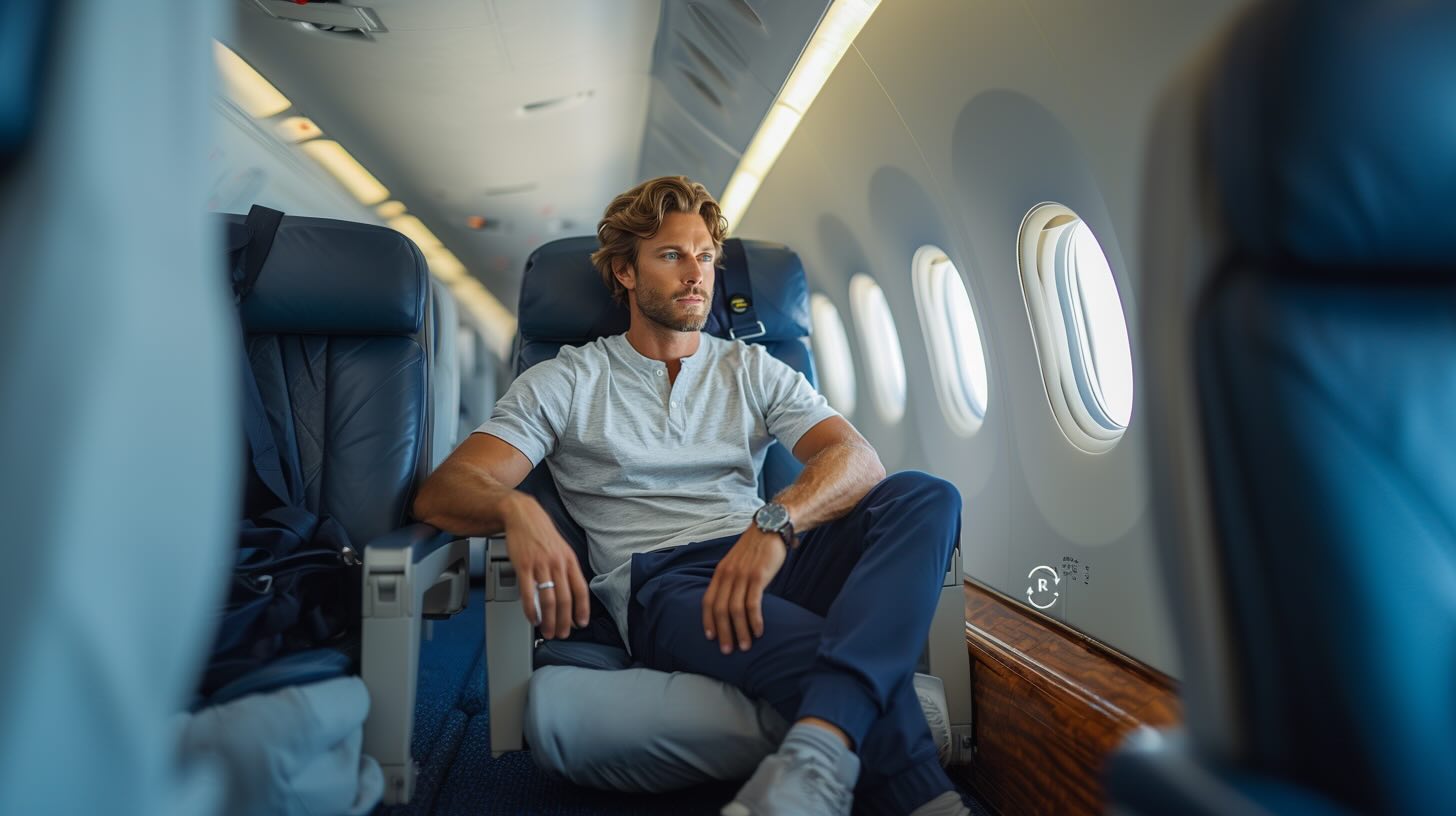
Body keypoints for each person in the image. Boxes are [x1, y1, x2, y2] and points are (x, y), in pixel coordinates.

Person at [413, 175, 968, 816]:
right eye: (672, 255)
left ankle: (814, 769)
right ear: (625, 271)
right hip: (667, 582)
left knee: (926, 495)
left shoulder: (751, 368)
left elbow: (857, 460)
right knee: (814, 652)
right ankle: (914, 787)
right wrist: (518, 508)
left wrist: (776, 522)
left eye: (704, 257)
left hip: (768, 551)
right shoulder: (565, 379)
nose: (695, 275)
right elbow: (444, 491)